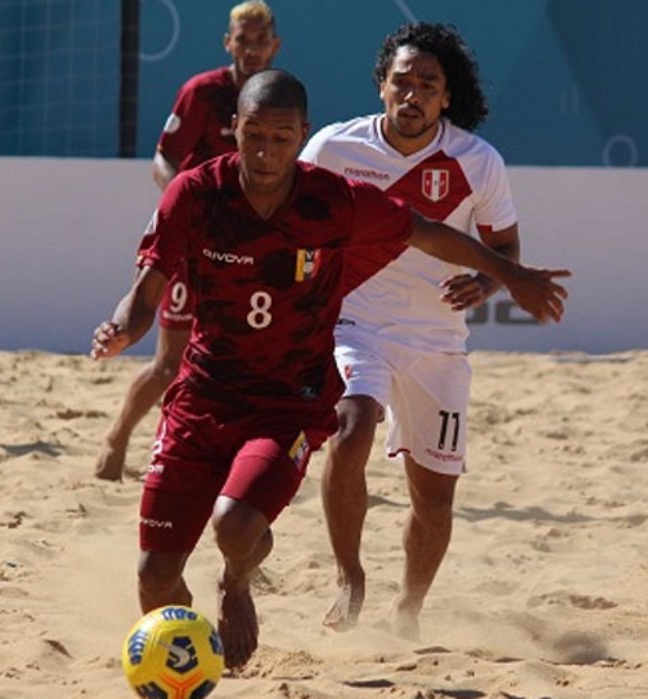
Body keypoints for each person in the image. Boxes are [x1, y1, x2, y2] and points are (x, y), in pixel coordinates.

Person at [91, 69, 568, 669]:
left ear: (302, 136)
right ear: (233, 129)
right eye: (254, 135)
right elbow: (144, 291)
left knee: (236, 525)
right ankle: (188, 662)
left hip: (288, 400)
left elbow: (427, 233)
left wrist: (512, 274)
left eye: (282, 137)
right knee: (154, 577)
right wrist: (122, 328)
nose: (266, 151)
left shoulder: (330, 199)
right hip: (203, 396)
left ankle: (238, 585)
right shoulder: (195, 192)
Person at [298, 23, 523, 639]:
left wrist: (487, 284)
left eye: (428, 84)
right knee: (350, 426)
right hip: (354, 323)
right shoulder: (332, 150)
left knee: (434, 499)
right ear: (381, 86)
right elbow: (291, 222)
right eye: (403, 80)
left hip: (437, 342)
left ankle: (410, 610)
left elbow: (504, 249)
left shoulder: (478, 161)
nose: (413, 93)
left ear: (447, 97)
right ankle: (350, 578)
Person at [95, 0, 282, 481]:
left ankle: (223, 460)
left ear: (275, 45)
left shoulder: (278, 99)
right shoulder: (202, 92)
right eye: (244, 39)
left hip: (248, 251)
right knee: (169, 364)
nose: (253, 48)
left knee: (242, 364)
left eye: (262, 39)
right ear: (229, 43)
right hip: (191, 245)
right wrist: (190, 208)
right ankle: (117, 438)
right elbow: (163, 161)